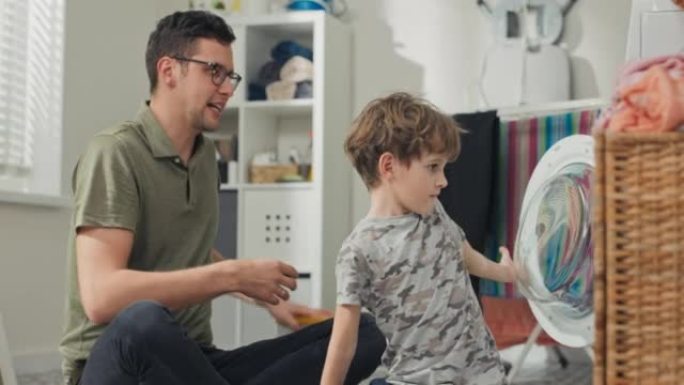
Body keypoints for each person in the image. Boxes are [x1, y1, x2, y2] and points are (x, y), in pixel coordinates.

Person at [59, 10, 385, 385]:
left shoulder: (204, 158)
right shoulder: (115, 153)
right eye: (214, 71)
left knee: (364, 332)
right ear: (168, 71)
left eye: (230, 75)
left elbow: (189, 247)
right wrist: (231, 275)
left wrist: (269, 298)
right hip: (121, 364)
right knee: (142, 319)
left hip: (196, 363)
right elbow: (101, 297)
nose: (228, 88)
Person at [320, 92, 518, 385]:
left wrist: (504, 272)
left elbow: (462, 253)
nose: (444, 180)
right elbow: (343, 343)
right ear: (388, 167)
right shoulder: (359, 250)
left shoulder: (434, 212)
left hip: (483, 375)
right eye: (433, 167)